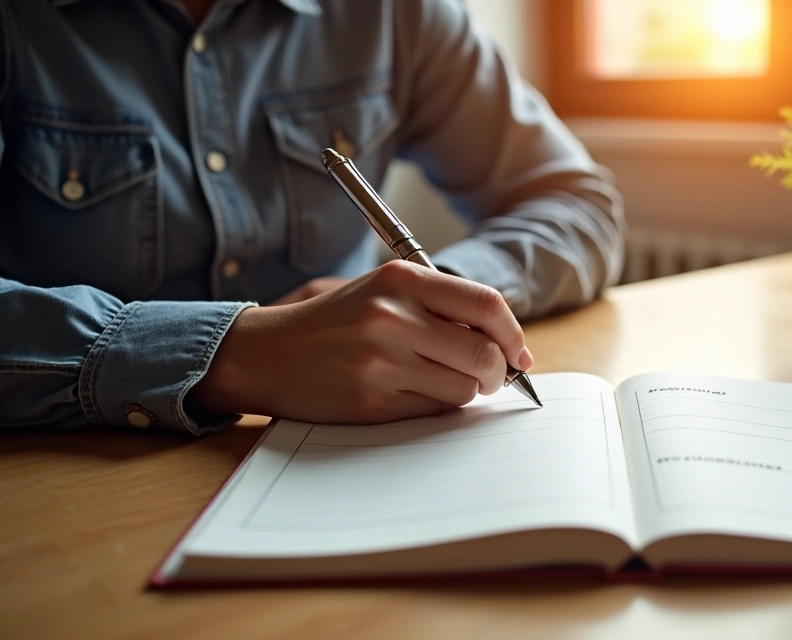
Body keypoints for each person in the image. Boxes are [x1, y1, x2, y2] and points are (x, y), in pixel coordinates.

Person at [0, 0, 625, 433]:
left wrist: (435, 296)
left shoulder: (389, 14)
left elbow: (576, 203)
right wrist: (232, 355)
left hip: (351, 455)